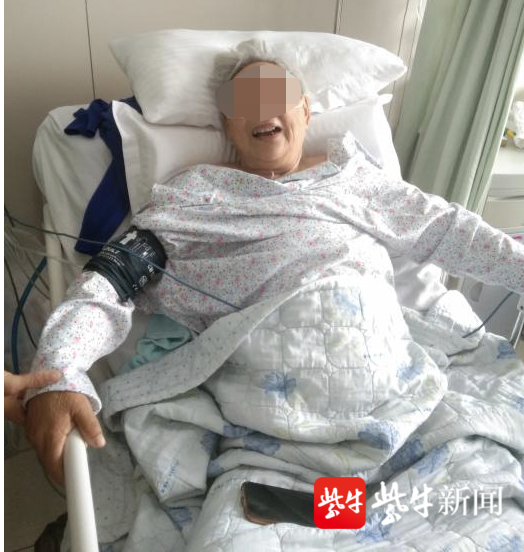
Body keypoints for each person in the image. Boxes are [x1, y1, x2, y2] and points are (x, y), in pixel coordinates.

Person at [23, 42, 524, 486]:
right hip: (269, 407)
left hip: (391, 385)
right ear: (228, 125)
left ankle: (360, 501)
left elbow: (447, 229)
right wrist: (58, 371)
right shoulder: (194, 193)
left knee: (477, 491)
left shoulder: (355, 179)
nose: (261, 108)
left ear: (305, 111)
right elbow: (112, 278)